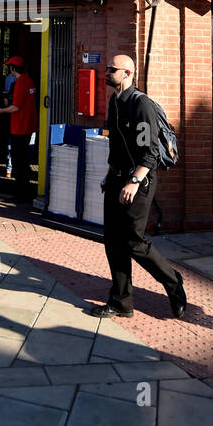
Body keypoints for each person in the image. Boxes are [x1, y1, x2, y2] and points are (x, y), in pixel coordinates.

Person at [89, 54, 186, 320]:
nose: (107, 72)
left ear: (128, 73)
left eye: (112, 69)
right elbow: (117, 146)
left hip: (140, 180)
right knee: (113, 241)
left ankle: (173, 282)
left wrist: (134, 181)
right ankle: (121, 302)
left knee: (133, 240)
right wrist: (110, 175)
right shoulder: (115, 101)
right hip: (117, 178)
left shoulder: (140, 104)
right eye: (108, 68)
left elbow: (150, 152)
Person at [0, 55, 37, 202]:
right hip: (29, 126)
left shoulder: (20, 82)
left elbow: (15, 107)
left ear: (12, 68)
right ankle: (26, 192)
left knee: (18, 162)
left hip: (20, 127)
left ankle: (20, 195)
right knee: (24, 161)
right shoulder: (29, 80)